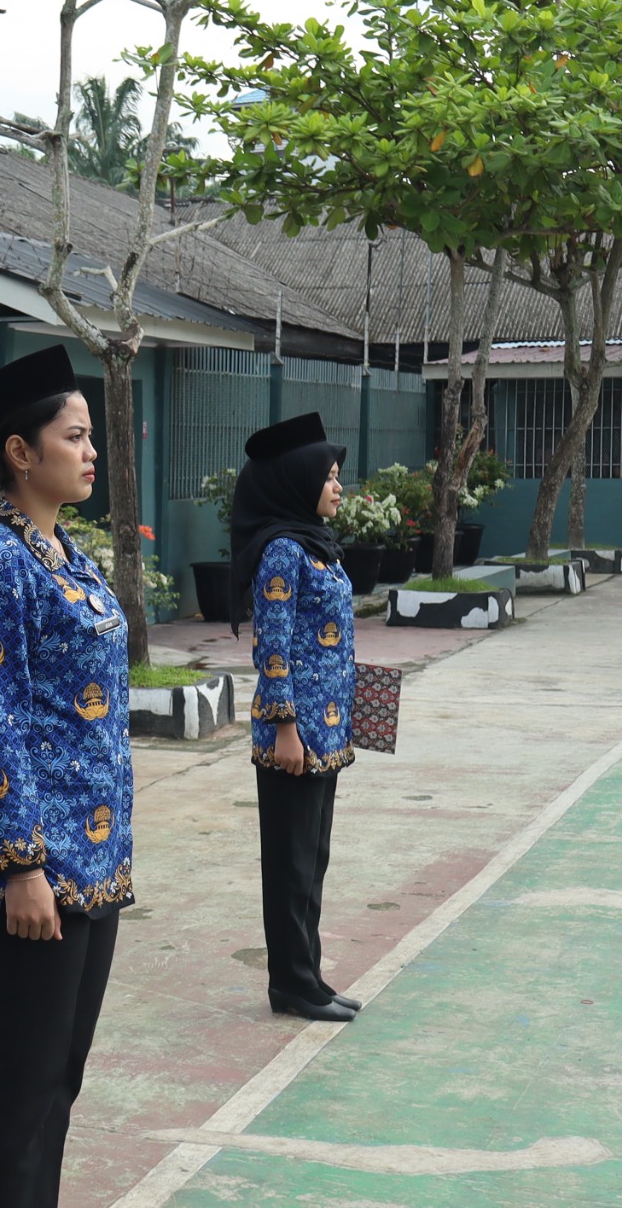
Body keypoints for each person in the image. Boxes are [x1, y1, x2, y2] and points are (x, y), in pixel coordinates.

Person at [0, 346, 133, 1208]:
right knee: (21, 1088)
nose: (91, 452)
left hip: (91, 862)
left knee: (57, 1082)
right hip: (31, 871)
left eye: (90, 436)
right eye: (75, 436)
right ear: (21, 452)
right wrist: (21, 865)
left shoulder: (65, 555)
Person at [230, 411, 361, 1022]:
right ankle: (291, 984)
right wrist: (285, 727)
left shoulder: (317, 545)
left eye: (337, 476)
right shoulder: (283, 551)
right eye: (328, 476)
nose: (338, 486)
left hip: (326, 732)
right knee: (289, 865)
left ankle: (310, 976)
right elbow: (273, 646)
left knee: (313, 862)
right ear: (298, 480)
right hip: (295, 737)